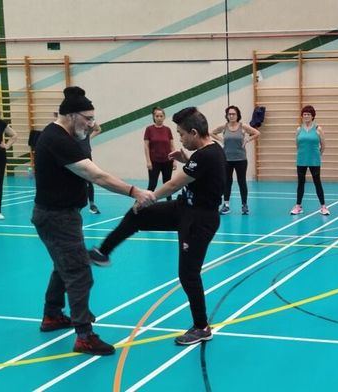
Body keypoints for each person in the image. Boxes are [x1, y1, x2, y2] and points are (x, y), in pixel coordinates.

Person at [32, 86, 154, 356]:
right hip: (56, 217)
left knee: (63, 266)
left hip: (61, 215)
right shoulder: (57, 139)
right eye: (87, 118)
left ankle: (52, 315)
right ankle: (84, 336)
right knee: (78, 273)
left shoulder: (65, 134)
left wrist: (85, 131)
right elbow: (96, 175)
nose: (92, 123)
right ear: (71, 115)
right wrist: (134, 191)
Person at [89, 107, 226, 345]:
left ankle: (202, 326)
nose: (180, 138)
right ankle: (103, 252)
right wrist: (186, 159)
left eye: (182, 134)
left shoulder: (208, 155)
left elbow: (172, 186)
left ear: (194, 132)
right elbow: (196, 172)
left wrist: (148, 197)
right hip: (185, 209)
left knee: (188, 274)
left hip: (200, 220)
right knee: (137, 216)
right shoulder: (206, 150)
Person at [211, 105, 260, 215]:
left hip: (241, 159)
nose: (231, 116)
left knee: (241, 182)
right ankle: (226, 205)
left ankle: (244, 205)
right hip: (227, 159)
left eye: (233, 114)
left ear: (237, 115)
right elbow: (211, 133)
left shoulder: (243, 126)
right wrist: (221, 139)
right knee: (227, 182)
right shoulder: (224, 127)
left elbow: (257, 133)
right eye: (229, 114)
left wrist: (248, 139)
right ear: (227, 116)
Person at [290, 105, 329, 215]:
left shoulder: (318, 129)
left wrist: (318, 155)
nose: (306, 116)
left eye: (308, 114)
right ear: (302, 116)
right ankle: (298, 206)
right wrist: (303, 153)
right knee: (300, 183)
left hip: (314, 160)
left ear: (312, 116)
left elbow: (323, 145)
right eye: (304, 114)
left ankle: (323, 207)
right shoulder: (299, 129)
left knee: (317, 183)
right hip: (301, 159)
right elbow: (297, 144)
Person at [144, 107, 176, 201]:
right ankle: (142, 204)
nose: (159, 118)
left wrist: (174, 160)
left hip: (167, 162)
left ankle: (169, 204)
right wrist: (148, 161)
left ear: (164, 117)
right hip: (154, 162)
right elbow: (146, 146)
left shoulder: (167, 130)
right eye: (157, 116)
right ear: (154, 117)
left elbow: (172, 146)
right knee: (152, 185)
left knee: (168, 185)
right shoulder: (149, 129)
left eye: (161, 116)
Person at [79, 121, 102, 214]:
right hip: (77, 162)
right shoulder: (73, 138)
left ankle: (92, 205)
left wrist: (91, 120)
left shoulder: (87, 137)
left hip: (88, 161)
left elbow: (98, 129)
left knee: (90, 182)